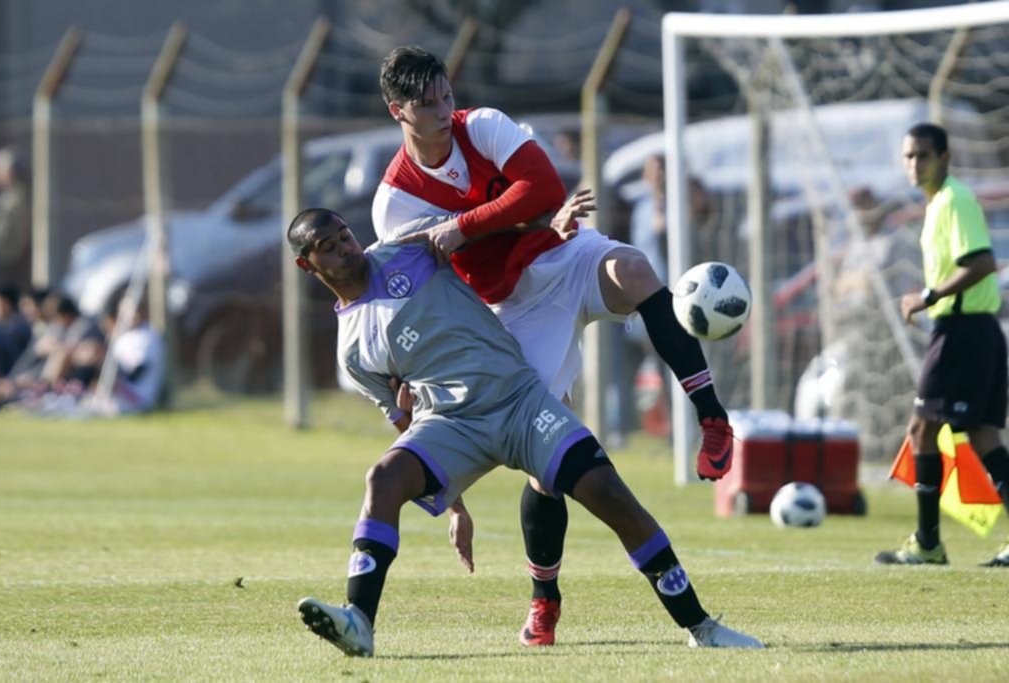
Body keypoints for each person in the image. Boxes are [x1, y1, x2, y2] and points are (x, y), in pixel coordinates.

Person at [372, 46, 735, 646]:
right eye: (427, 104)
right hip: (509, 309)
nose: (444, 110)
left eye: (446, 95)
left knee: (637, 270)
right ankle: (545, 599)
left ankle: (713, 418)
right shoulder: (396, 203)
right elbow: (437, 291)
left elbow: (541, 188)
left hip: (560, 257)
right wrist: (513, 219)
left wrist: (468, 226)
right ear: (397, 112)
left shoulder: (482, 125)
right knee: (546, 461)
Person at [287, 207, 762, 656]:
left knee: (611, 495)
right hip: (452, 426)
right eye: (327, 248)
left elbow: (488, 227)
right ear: (307, 266)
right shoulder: (352, 351)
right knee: (383, 478)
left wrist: (546, 224)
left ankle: (701, 626)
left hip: (519, 400)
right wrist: (455, 506)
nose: (345, 250)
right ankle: (359, 622)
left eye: (344, 236)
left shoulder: (406, 248)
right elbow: (402, 420)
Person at [875, 123, 1009, 567]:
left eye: (924, 156)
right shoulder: (936, 204)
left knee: (921, 429)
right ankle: (928, 543)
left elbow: (983, 262)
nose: (915, 164)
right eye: (909, 156)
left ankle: (928, 544)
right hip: (972, 330)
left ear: (945, 158)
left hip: (963, 331)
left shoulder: (955, 199)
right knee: (984, 435)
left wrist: (928, 297)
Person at [0, 148, 31, 291]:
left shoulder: (15, 200)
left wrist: (2, 261)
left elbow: (15, 239)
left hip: (7, 270)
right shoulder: (7, 197)